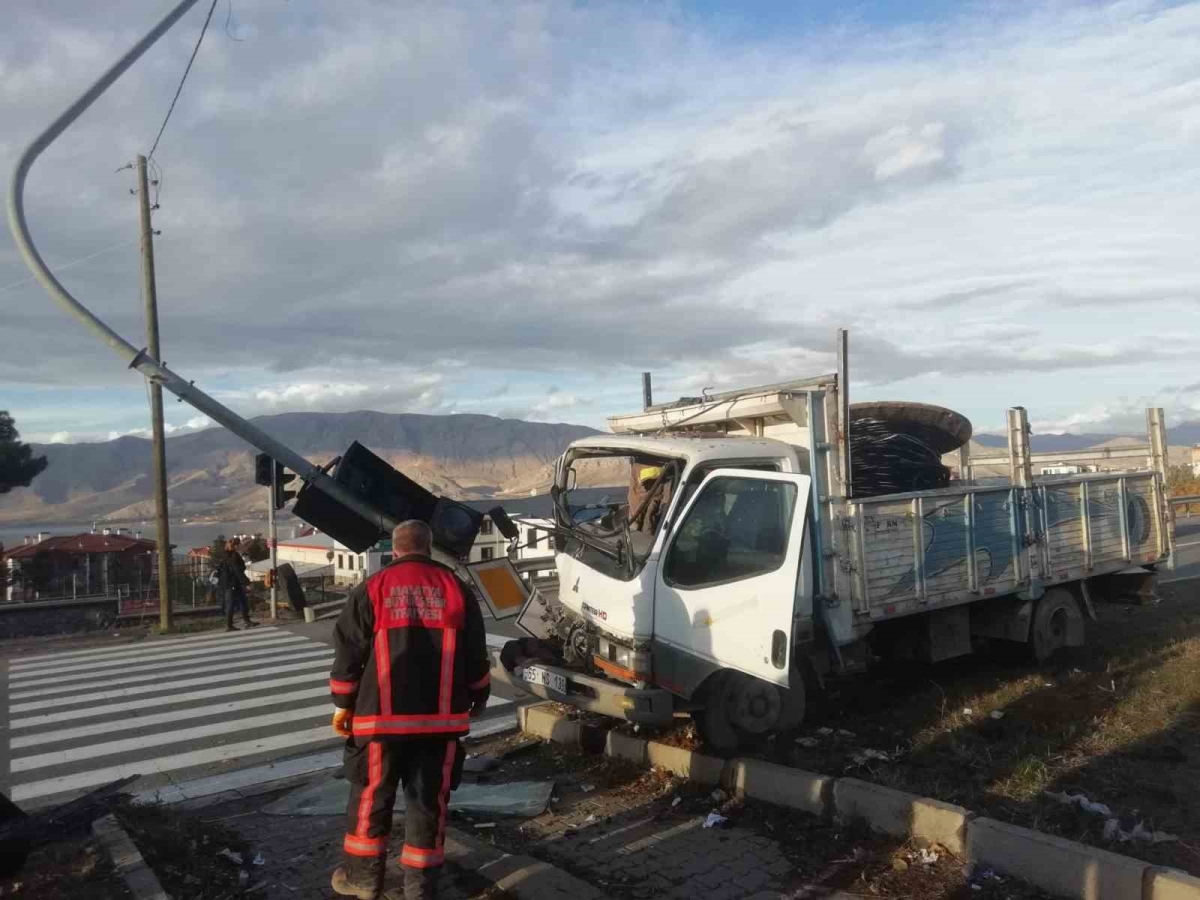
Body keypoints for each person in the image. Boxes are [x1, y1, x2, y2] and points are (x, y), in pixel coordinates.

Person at [329, 520, 491, 900]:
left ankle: (364, 880)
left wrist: (343, 703)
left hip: (380, 722)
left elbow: (348, 651)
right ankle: (420, 890)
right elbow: (476, 654)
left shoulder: (373, 587)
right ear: (429, 546)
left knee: (371, 799)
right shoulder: (456, 589)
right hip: (439, 724)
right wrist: (478, 696)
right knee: (428, 805)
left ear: (395, 550)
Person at [219, 539, 256, 631]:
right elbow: (237, 571)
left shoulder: (227, 554)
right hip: (232, 583)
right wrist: (247, 582)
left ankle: (247, 621)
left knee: (243, 601)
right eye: (239, 545)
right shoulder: (233, 556)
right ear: (236, 546)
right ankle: (229, 625)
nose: (241, 546)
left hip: (233, 582)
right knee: (231, 604)